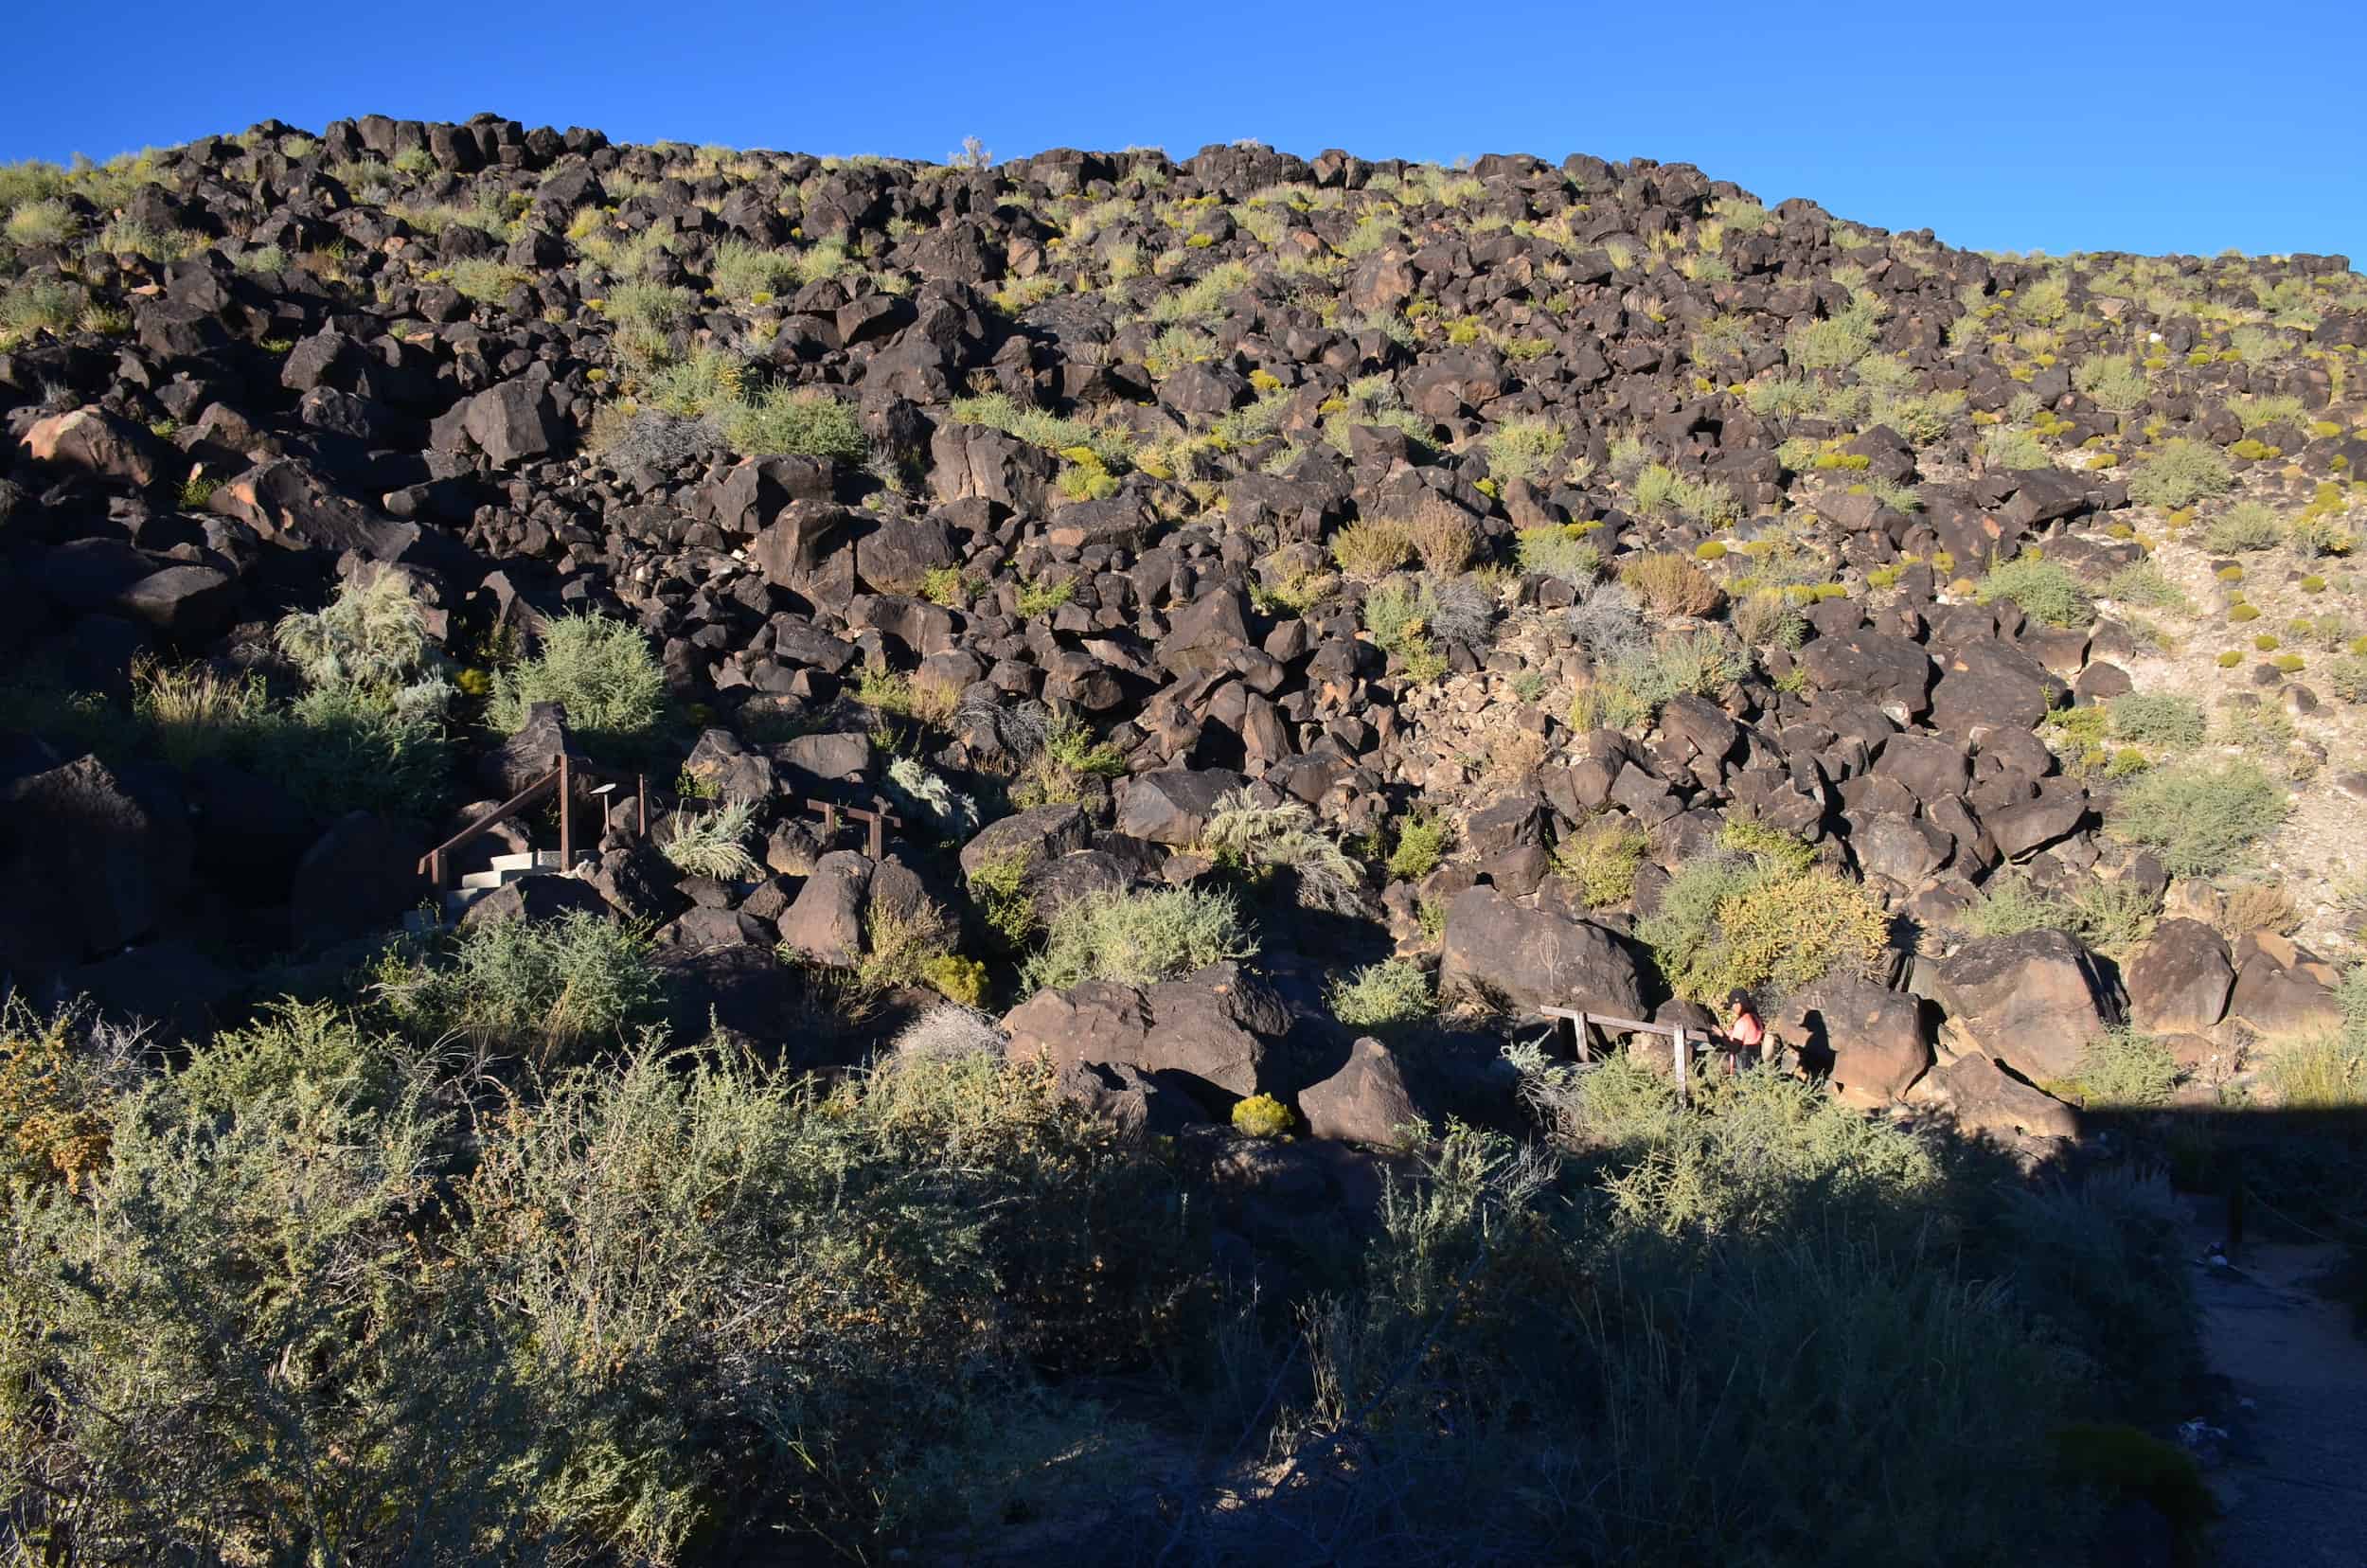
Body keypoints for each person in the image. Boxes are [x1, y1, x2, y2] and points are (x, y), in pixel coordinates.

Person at [1722, 988, 1766, 1074]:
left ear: (1739, 1004)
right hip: (1755, 1061)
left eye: (1733, 1005)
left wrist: (1722, 1035)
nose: (1732, 1009)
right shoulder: (1755, 1018)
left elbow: (1734, 1048)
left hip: (1742, 1065)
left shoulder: (1742, 1022)